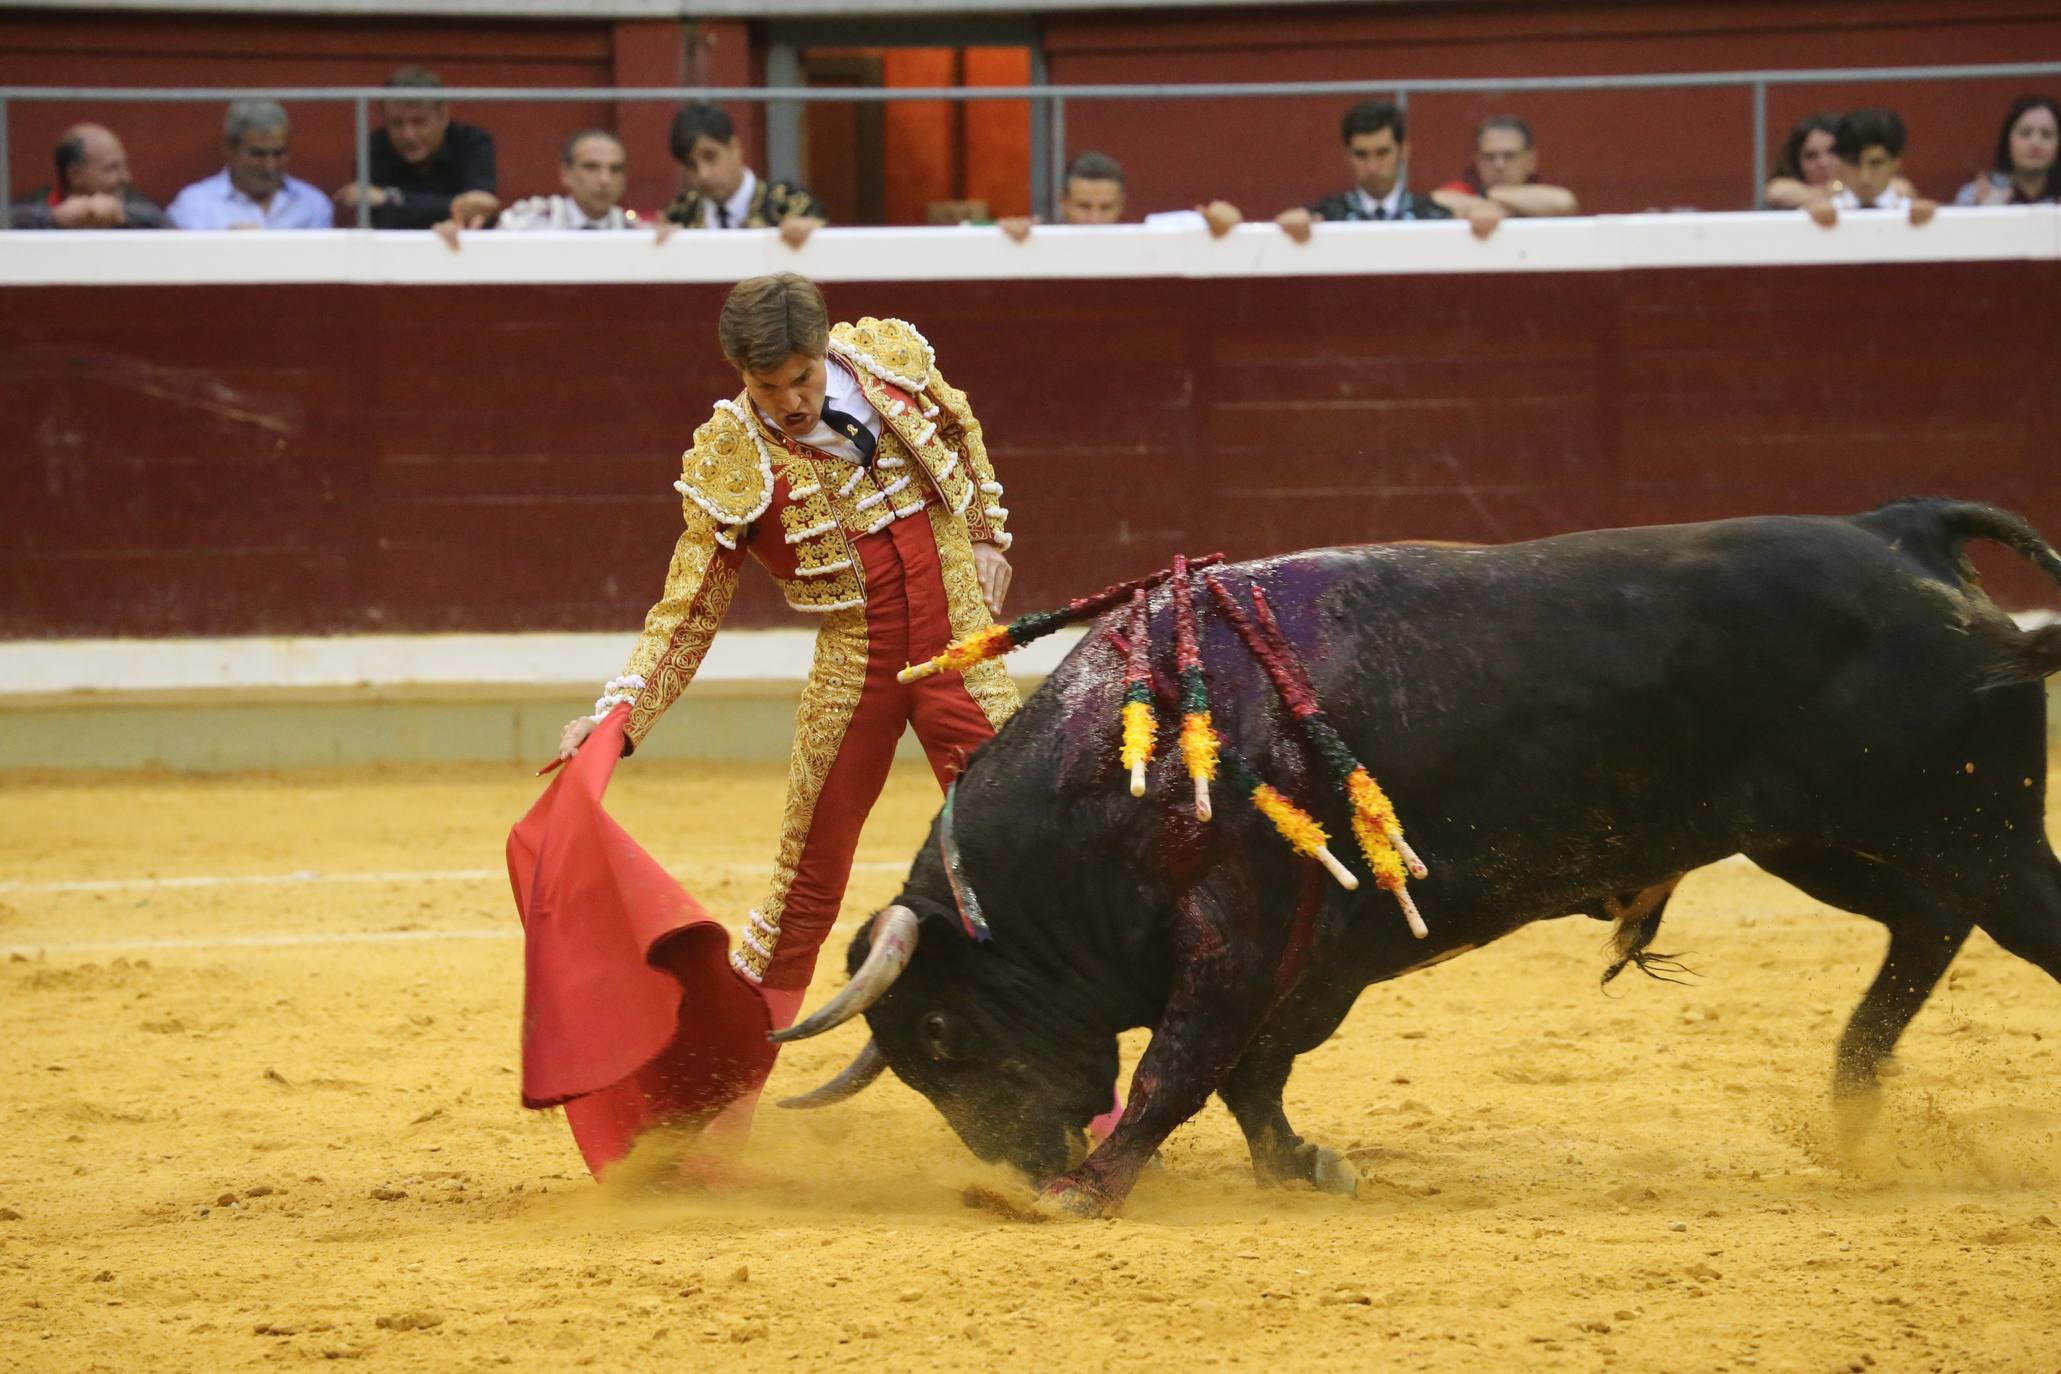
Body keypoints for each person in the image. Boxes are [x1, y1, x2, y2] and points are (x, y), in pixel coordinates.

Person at [555, 272, 1018, 1056]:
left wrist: (982, 531)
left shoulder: (889, 359)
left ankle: (1093, 1111)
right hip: (855, 669)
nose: (789, 401)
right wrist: (618, 718)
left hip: (962, 651)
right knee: (803, 889)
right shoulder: (732, 456)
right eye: (765, 387)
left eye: (800, 378)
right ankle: (722, 1098)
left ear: (824, 348)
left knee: (1021, 855)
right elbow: (689, 606)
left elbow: (960, 425)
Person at [1275, 100, 1504, 243]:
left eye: (1382, 153)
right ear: (1347, 155)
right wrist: (1293, 221)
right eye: (1361, 155)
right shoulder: (1325, 215)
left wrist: (1480, 216)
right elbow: (1290, 220)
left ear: (1403, 150)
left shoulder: (1433, 214)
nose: (1373, 166)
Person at [332, 66, 498, 230]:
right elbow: (382, 220)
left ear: (443, 116)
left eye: (419, 122)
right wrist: (454, 207)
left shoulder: (471, 142)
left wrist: (388, 199)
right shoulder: (373, 148)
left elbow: (482, 206)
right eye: (397, 123)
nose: (408, 135)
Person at [660, 102, 824, 249]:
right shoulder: (679, 213)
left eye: (710, 156)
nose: (703, 174)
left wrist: (808, 230)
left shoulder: (789, 204)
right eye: (690, 165)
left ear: (734, 147)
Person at [439, 130, 642, 246]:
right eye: (591, 167)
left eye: (615, 169)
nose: (605, 179)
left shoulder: (637, 231)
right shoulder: (528, 220)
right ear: (565, 174)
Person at [995, 150, 1241, 241]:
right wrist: (1005, 236)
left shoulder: (1149, 239)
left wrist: (1228, 222)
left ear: (1121, 205)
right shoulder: (1037, 240)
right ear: (1063, 203)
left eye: (1105, 208)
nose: (1095, 219)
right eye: (1083, 206)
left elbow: (1224, 224)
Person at [166, 100, 332, 230]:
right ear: (229, 149)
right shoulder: (195, 205)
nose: (270, 166)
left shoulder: (312, 204)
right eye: (258, 154)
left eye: (278, 153)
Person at [8, 123, 169, 230]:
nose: (126, 177)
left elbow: (166, 227)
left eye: (124, 166)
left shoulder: (133, 201)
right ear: (75, 174)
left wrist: (121, 214)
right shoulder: (37, 203)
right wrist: (55, 218)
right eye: (112, 168)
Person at [1431, 115, 1579, 219]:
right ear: (1477, 161)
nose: (1499, 165)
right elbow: (1435, 201)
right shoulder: (1463, 190)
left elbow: (1563, 203)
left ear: (1531, 161)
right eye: (1489, 157)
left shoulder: (1537, 190)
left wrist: (1490, 195)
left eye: (1509, 156)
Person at [1811, 108, 1936, 227]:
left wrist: (1934, 222)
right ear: (1840, 164)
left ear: (1895, 163)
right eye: (1854, 163)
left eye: (1876, 163)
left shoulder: (1916, 213)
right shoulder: (1815, 215)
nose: (1864, 177)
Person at [1955, 95, 2060, 206]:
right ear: (2008, 141)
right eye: (2025, 133)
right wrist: (1983, 211)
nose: (2036, 143)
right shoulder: (1975, 196)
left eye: (2046, 134)